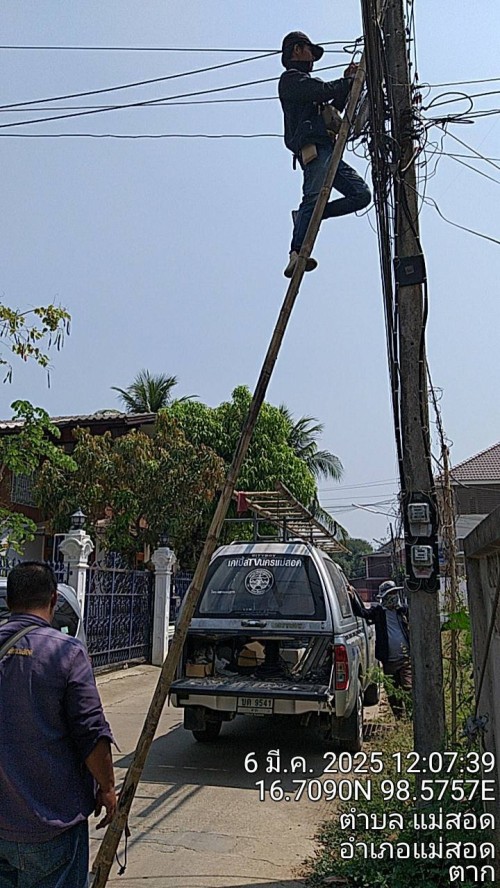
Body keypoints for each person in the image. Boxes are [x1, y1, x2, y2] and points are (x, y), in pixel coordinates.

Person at [0, 561, 116, 888]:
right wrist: (107, 788)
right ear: (53, 599)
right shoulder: (67, 652)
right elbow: (91, 732)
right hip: (52, 826)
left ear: (10, 600)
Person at [278, 31, 371, 277]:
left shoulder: (306, 86)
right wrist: (347, 82)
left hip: (328, 149)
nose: (312, 59)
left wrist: (348, 83)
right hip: (314, 149)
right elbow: (322, 91)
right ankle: (296, 252)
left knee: (361, 195)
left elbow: (331, 106)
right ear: (297, 50)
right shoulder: (291, 80)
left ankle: (308, 217)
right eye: (310, 51)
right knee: (312, 197)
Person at [365, 580, 412, 719]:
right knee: (393, 692)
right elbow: (362, 612)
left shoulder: (402, 611)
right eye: (391, 594)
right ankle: (400, 718)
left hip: (405, 659)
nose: (394, 596)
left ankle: (411, 717)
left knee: (408, 688)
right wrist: (352, 596)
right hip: (389, 661)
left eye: (395, 593)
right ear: (384, 597)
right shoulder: (379, 612)